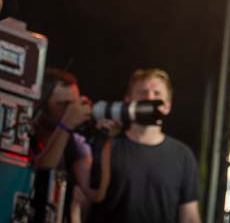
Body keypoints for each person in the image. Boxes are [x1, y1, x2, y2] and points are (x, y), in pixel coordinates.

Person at [89, 68, 201, 223]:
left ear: (167, 107)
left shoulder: (182, 155)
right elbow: (83, 201)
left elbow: (189, 215)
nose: (149, 98)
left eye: (157, 93)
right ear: (128, 101)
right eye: (142, 93)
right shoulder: (109, 147)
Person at [31, 68, 112, 223]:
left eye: (74, 104)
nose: (71, 111)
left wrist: (105, 141)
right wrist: (66, 124)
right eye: (63, 104)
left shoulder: (74, 143)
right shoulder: (23, 134)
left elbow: (96, 193)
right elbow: (40, 174)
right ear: (40, 105)